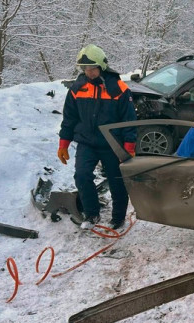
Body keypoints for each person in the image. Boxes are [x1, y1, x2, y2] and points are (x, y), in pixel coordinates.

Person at [57, 44, 137, 230]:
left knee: (116, 180)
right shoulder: (78, 88)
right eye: (85, 69)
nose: (89, 72)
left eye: (92, 68)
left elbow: (129, 121)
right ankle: (91, 213)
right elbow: (69, 118)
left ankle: (118, 218)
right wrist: (64, 144)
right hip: (87, 142)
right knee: (82, 176)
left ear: (101, 66)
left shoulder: (119, 89)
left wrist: (129, 147)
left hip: (112, 144)